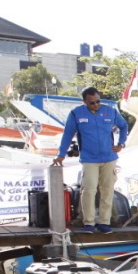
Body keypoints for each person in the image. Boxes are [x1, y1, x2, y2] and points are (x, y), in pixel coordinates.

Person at [54, 87, 128, 234]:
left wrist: (121, 144)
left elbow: (124, 126)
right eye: (91, 103)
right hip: (89, 159)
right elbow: (68, 134)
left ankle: (105, 222)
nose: (95, 105)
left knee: (107, 190)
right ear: (84, 102)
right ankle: (88, 222)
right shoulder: (76, 113)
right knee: (89, 190)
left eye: (98, 101)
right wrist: (61, 154)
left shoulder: (110, 111)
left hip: (109, 158)